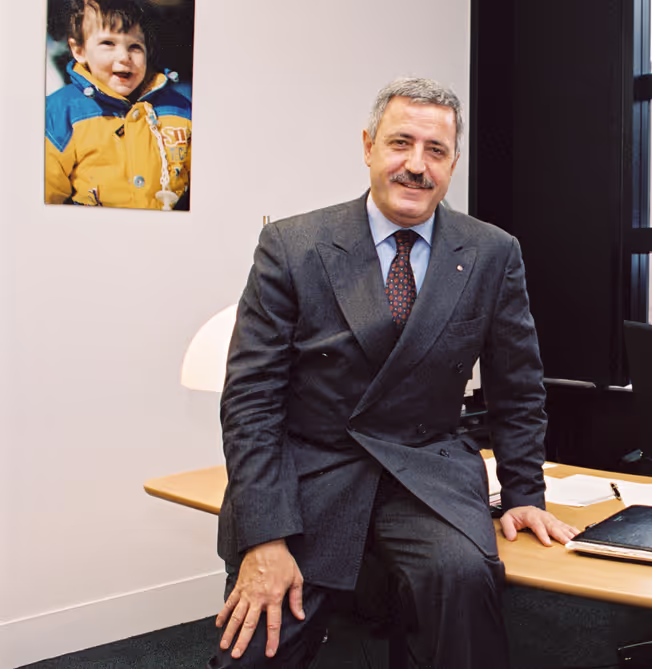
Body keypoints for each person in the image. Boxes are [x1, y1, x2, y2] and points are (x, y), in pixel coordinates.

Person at [210, 77, 578, 668]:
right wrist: (264, 537)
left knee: (465, 587)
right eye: (400, 143)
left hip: (424, 472)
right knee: (259, 645)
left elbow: (517, 387)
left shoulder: (491, 252)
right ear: (368, 145)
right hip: (310, 475)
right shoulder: (292, 245)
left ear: (453, 161)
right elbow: (250, 403)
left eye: (436, 151)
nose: (416, 166)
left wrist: (524, 493)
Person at [45, 0, 191, 210]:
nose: (124, 57)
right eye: (108, 43)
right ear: (79, 50)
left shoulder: (180, 111)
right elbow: (44, 200)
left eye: (135, 46)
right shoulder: (62, 112)